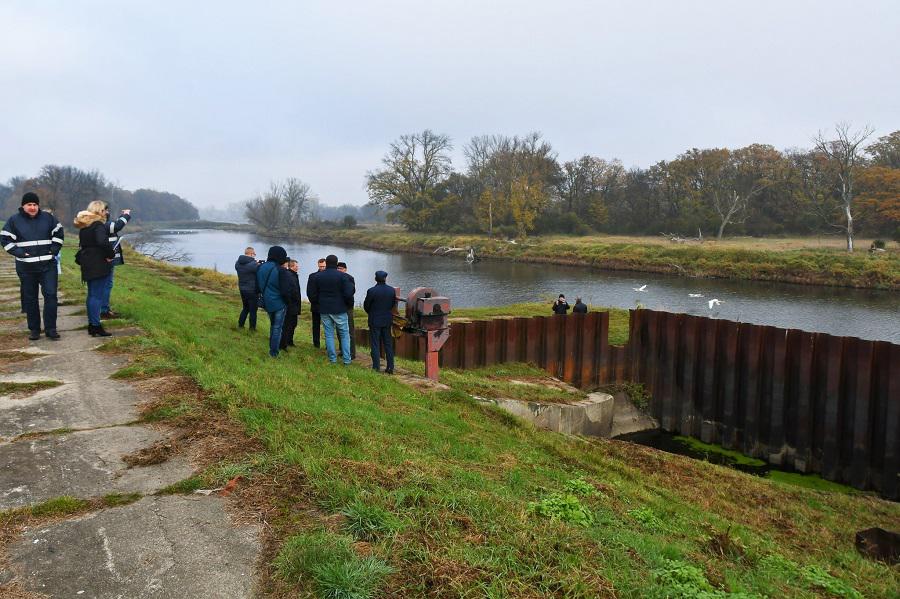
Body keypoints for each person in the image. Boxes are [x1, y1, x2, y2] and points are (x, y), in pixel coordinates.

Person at [2, 192, 64, 340]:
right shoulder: (13, 221)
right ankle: (34, 330)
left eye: (35, 204)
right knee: (30, 298)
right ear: (23, 206)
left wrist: (53, 250)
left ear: (38, 206)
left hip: (48, 265)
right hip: (26, 267)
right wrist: (20, 253)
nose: (32, 207)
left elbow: (59, 234)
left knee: (51, 296)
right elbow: (5, 239)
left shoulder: (49, 218)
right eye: (29, 204)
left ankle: (51, 329)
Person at [74, 201, 115, 337]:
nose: (106, 213)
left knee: (92, 295)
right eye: (104, 210)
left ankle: (92, 325)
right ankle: (96, 326)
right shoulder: (98, 225)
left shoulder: (85, 226)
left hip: (88, 263)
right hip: (98, 263)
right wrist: (110, 255)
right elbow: (102, 242)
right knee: (96, 296)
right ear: (99, 212)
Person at [307, 254, 354, 365]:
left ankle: (332, 359)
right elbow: (349, 293)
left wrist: (318, 303)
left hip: (324, 309)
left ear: (326, 263)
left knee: (329, 334)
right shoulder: (343, 277)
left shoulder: (318, 277)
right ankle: (347, 360)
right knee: (344, 334)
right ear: (336, 264)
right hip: (340, 309)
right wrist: (346, 305)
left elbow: (312, 294)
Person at [256, 246, 292, 357]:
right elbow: (285, 291)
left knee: (273, 326)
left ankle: (273, 349)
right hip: (279, 303)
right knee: (277, 328)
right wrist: (288, 302)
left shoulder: (260, 267)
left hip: (266, 301)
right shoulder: (281, 270)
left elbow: (257, 286)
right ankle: (273, 353)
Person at [100, 207, 131, 319]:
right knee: (106, 284)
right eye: (105, 210)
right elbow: (117, 226)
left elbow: (114, 226)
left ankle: (103, 309)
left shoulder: (102, 224)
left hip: (105, 259)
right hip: (106, 260)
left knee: (104, 285)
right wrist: (126, 215)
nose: (108, 212)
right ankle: (103, 311)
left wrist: (120, 217)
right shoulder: (104, 224)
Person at [364, 270, 397, 374]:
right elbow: (392, 304)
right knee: (388, 344)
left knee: (375, 344)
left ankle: (376, 367)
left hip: (375, 320)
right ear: (385, 279)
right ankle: (390, 367)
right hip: (387, 320)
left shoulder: (371, 291)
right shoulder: (391, 290)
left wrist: (372, 312)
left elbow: (366, 306)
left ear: (375, 278)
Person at [235, 246, 260, 330]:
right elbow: (257, 270)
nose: (255, 255)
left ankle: (240, 325)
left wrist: (255, 262)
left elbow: (248, 267)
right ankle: (252, 328)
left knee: (245, 308)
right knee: (253, 310)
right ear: (251, 254)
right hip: (252, 290)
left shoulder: (237, 263)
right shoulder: (253, 264)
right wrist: (257, 263)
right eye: (254, 254)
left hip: (242, 289)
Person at [279, 258, 302, 350]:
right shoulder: (290, 276)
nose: (298, 267)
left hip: (293, 305)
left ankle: (289, 341)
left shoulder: (293, 275)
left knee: (293, 324)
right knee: (288, 324)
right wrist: (291, 302)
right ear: (291, 266)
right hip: (291, 305)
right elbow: (291, 291)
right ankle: (284, 344)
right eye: (296, 266)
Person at [337, 261, 356, 359]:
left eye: (341, 268)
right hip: (338, 307)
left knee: (350, 330)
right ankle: (342, 350)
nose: (339, 270)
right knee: (339, 330)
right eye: (338, 268)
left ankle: (352, 353)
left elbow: (351, 292)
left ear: (345, 269)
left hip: (348, 307)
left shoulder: (349, 278)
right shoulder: (336, 278)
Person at [306, 258, 326, 347]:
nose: (322, 268)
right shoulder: (312, 276)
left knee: (328, 326)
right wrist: (314, 301)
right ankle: (316, 343)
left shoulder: (329, 276)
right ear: (318, 265)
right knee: (316, 325)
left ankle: (328, 345)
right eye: (321, 266)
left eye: (324, 266)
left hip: (327, 305)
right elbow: (309, 292)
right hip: (316, 305)